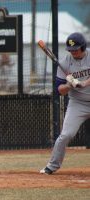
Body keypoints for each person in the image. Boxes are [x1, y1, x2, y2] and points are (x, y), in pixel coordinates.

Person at [40, 32, 90, 175]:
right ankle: (52, 166)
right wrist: (69, 86)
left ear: (83, 47)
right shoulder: (64, 62)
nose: (73, 52)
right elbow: (59, 90)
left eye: (76, 49)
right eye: (71, 50)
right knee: (66, 135)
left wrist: (84, 83)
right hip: (78, 103)